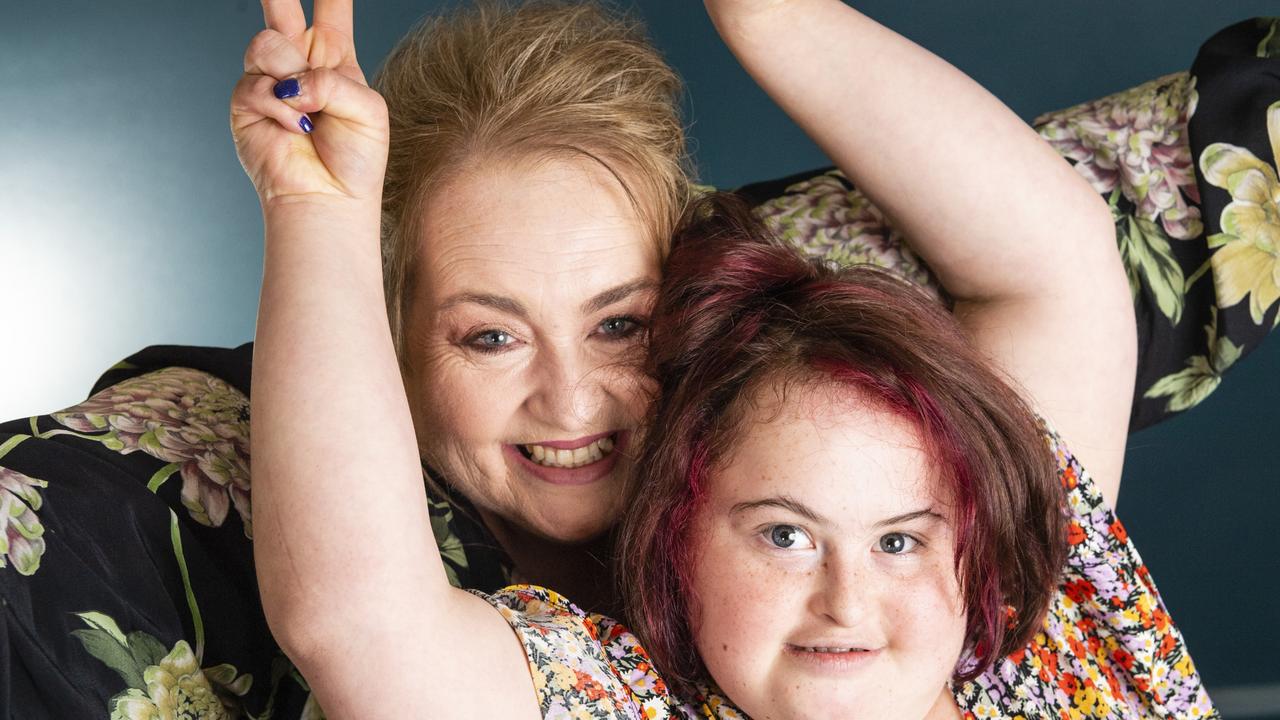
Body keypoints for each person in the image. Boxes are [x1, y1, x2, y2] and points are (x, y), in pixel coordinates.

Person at [250, 0, 1215, 718]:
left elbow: (1055, 266)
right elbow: (359, 624)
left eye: (619, 323)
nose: (572, 396)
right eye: (491, 336)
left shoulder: (1030, 609)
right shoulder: (630, 695)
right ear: (681, 543)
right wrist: (317, 214)